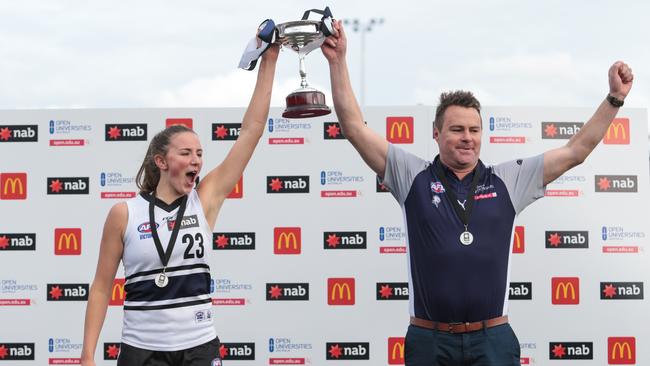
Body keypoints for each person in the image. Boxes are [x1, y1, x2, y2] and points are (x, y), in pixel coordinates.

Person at [321, 20, 633, 366]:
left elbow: (577, 150)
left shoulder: (509, 180)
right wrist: (338, 61)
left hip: (493, 340)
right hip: (429, 340)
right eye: (456, 129)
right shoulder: (412, 175)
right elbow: (352, 127)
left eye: (474, 129)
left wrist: (614, 97)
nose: (467, 137)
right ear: (436, 133)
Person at [80, 42, 280, 366]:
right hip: (142, 351)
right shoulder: (124, 213)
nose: (196, 160)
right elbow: (102, 287)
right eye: (185, 153)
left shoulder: (205, 200)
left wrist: (269, 59)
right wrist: (87, 354)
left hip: (199, 347)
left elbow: (252, 131)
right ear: (161, 161)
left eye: (199, 154)